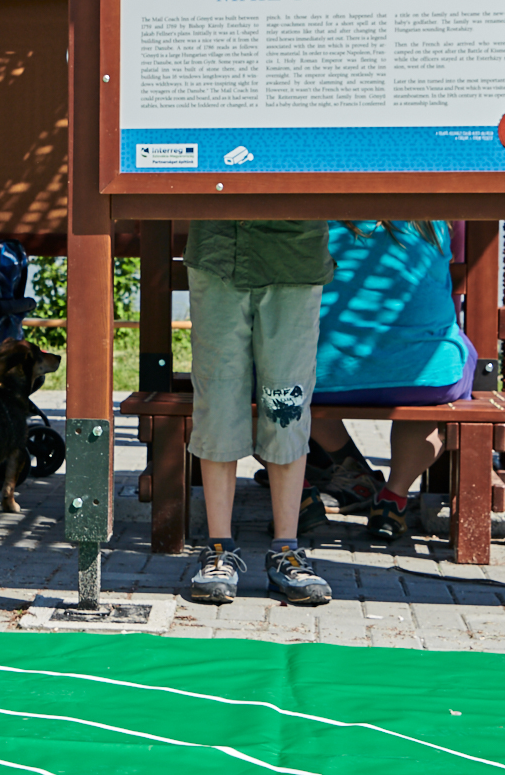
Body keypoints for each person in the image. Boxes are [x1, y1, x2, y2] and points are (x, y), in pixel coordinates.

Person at [183, 219, 333, 607]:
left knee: (286, 405)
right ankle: (219, 549)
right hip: (218, 248)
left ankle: (287, 551)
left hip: (296, 254)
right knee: (217, 402)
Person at [303, 221, 479, 545]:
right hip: (424, 379)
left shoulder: (315, 215)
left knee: (272, 389)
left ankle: (321, 484)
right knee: (441, 374)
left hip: (320, 375)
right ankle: (393, 498)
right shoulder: (432, 221)